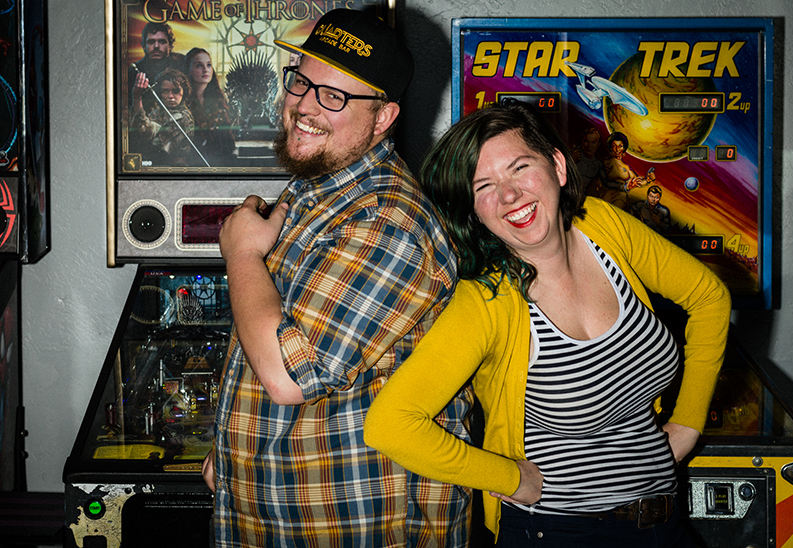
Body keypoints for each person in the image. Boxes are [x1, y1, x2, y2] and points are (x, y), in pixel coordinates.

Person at [364, 99, 731, 547]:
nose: (509, 195)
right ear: (474, 209)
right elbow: (391, 424)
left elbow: (709, 297)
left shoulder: (603, 225)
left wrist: (688, 422)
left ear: (557, 166)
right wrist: (510, 477)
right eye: (484, 186)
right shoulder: (485, 302)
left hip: (663, 522)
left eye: (519, 168)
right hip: (558, 531)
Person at [202, 9, 471, 547]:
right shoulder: (316, 187)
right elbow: (276, 331)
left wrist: (242, 255)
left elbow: (290, 376)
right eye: (301, 82)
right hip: (281, 511)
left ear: (383, 116)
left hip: (355, 522)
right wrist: (228, 453)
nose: (304, 105)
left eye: (334, 95)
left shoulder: (388, 220)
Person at [130, 68, 195, 166]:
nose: (170, 96)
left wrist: (137, 98)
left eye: (175, 91)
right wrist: (137, 98)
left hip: (175, 168)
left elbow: (149, 134)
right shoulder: (159, 111)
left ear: (184, 91)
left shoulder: (183, 117)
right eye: (165, 91)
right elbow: (143, 128)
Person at [184, 47, 236, 167]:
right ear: (188, 70)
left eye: (208, 65)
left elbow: (227, 141)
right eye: (199, 65)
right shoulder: (182, 101)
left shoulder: (218, 100)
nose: (205, 70)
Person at [128, 22, 186, 107]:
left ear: (170, 46)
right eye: (151, 42)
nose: (156, 46)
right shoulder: (134, 71)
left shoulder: (183, 63)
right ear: (144, 46)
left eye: (162, 42)